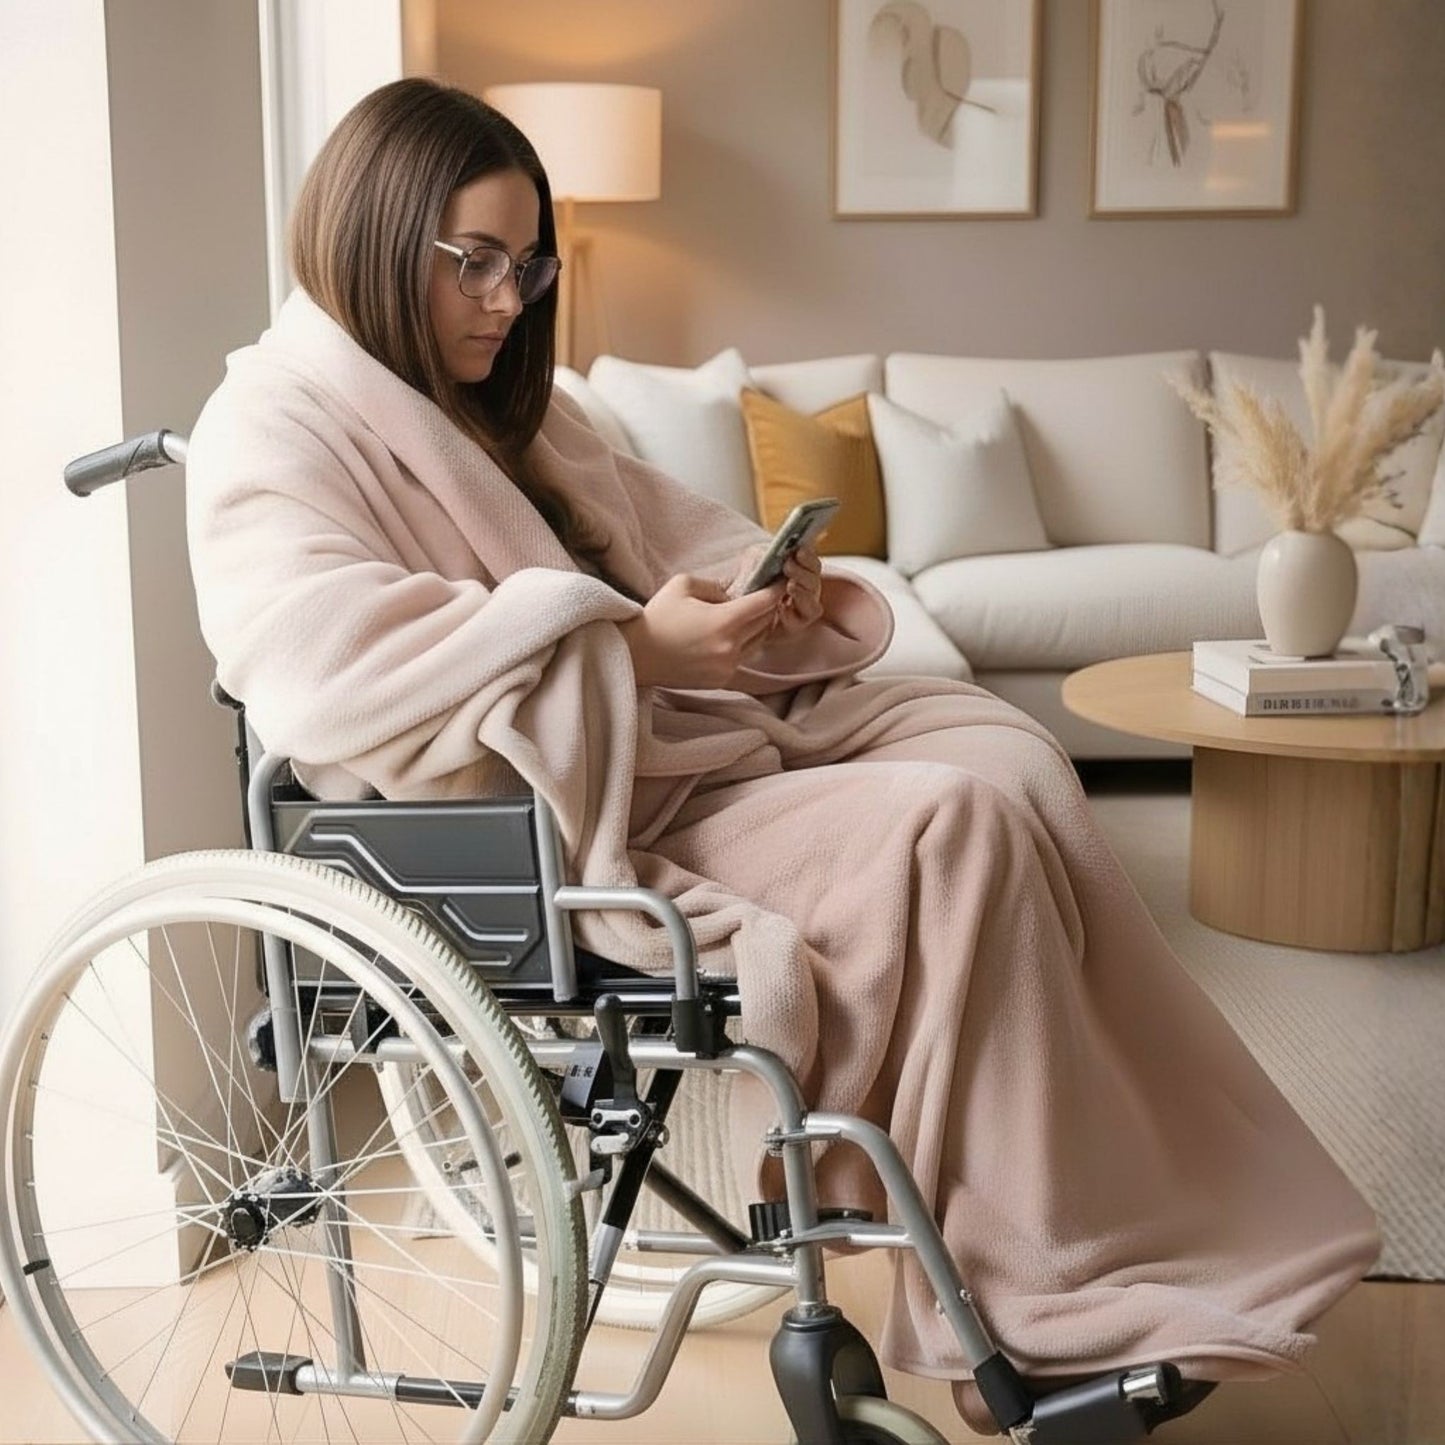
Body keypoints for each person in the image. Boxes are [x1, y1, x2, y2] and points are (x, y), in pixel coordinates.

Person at [185, 77, 1378, 1433]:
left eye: (525, 267)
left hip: (676, 753)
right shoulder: (272, 425)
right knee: (947, 830)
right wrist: (635, 650)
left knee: (1013, 762)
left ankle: (1162, 1221)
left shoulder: (520, 408)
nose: (504, 301)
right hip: (563, 820)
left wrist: (768, 591)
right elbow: (323, 663)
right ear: (371, 232)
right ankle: (1022, 1304)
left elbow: (664, 535)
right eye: (472, 261)